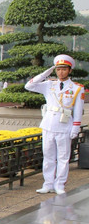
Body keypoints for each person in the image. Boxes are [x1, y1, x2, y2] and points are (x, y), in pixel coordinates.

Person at [26, 54, 84, 194]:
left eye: (64, 69)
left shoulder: (77, 88)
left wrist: (75, 128)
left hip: (65, 126)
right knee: (48, 156)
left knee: (63, 157)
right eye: (58, 69)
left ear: (69, 70)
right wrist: (46, 73)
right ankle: (48, 183)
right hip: (49, 125)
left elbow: (78, 110)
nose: (61, 72)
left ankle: (60, 184)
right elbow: (29, 85)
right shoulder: (49, 84)